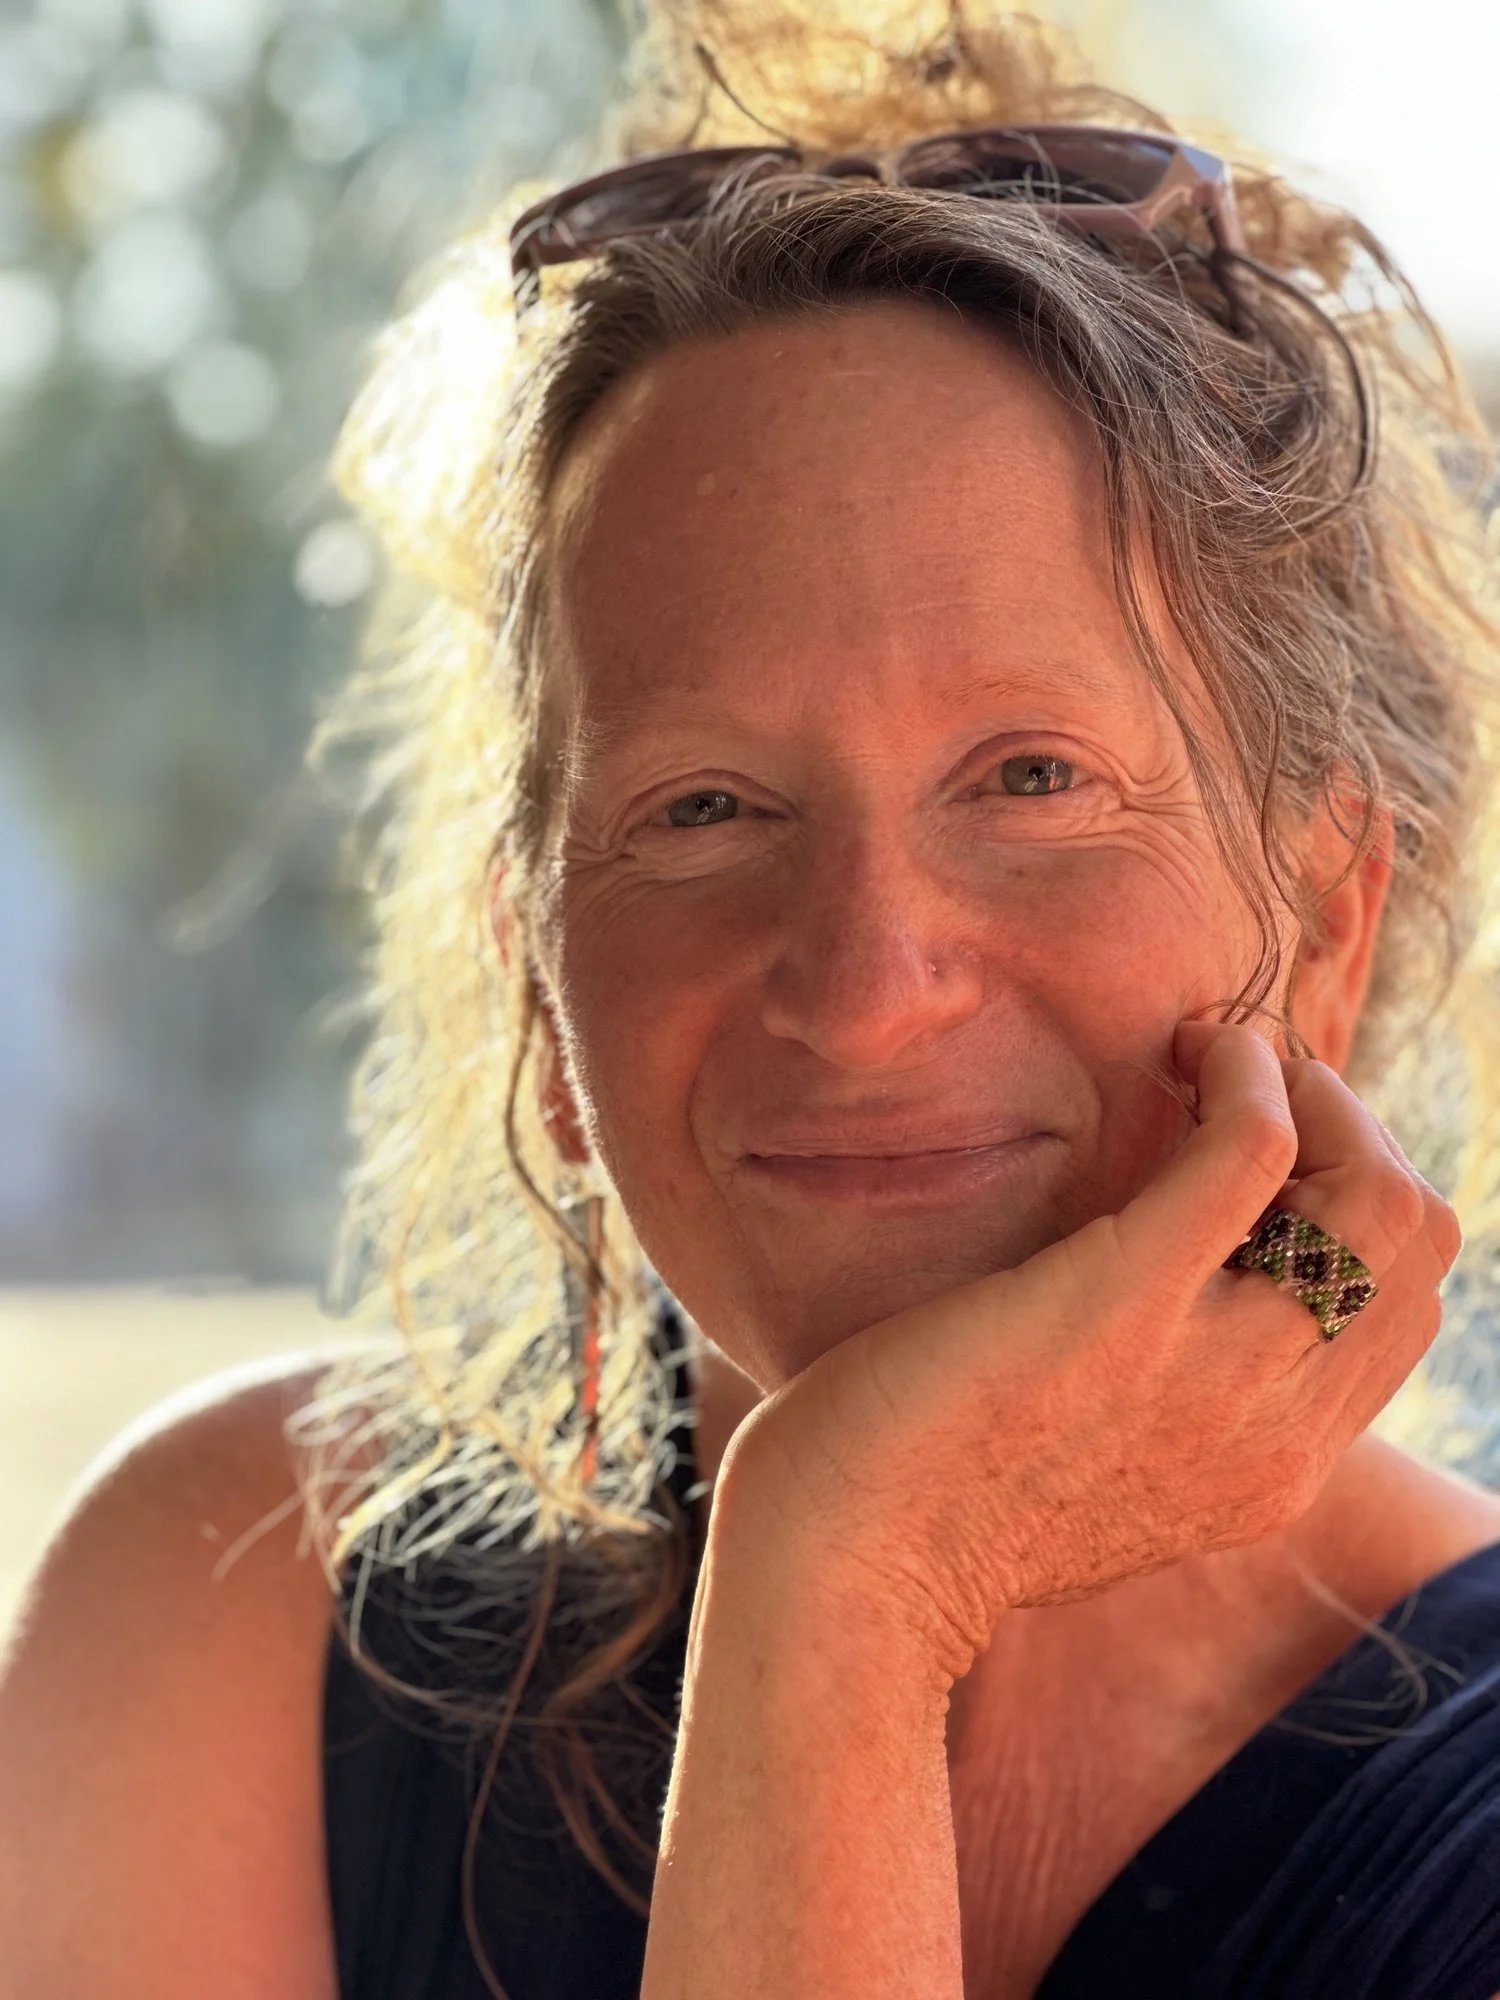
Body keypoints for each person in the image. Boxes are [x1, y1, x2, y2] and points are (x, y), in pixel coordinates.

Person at [4, 3, 1500, 1996]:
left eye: (1029, 778)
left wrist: (859, 1571)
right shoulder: (239, 1622)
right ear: (541, 975)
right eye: (703, 809)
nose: (867, 990)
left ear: (1324, 918)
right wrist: (848, 1581)